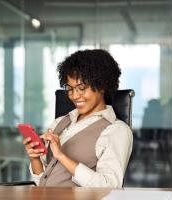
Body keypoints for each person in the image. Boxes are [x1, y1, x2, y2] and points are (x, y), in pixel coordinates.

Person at [23, 49, 133, 187]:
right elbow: (42, 182)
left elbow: (109, 187)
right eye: (70, 88)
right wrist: (35, 159)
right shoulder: (60, 122)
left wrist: (62, 156)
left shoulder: (116, 130)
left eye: (81, 88)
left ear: (102, 86)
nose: (74, 96)